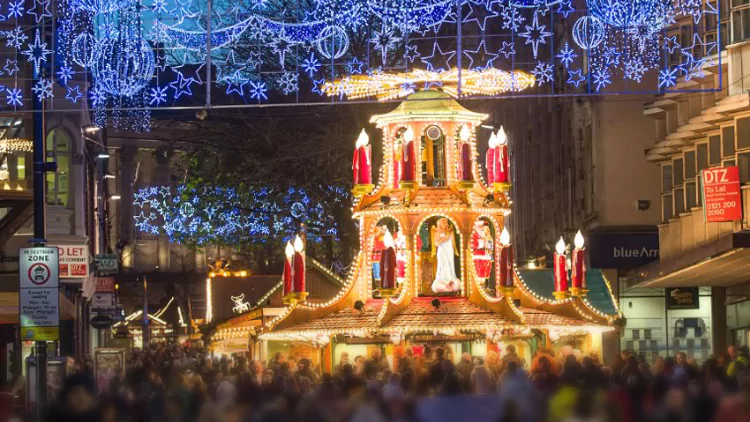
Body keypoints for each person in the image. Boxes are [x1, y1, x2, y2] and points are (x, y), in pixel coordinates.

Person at [431, 218, 460, 293]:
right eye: (443, 222)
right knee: (444, 265)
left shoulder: (450, 231)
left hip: (449, 251)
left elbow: (452, 242)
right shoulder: (437, 231)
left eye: (445, 222)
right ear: (439, 223)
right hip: (442, 251)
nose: (444, 223)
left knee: (450, 265)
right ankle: (444, 281)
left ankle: (451, 280)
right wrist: (444, 238)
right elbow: (436, 243)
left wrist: (449, 235)